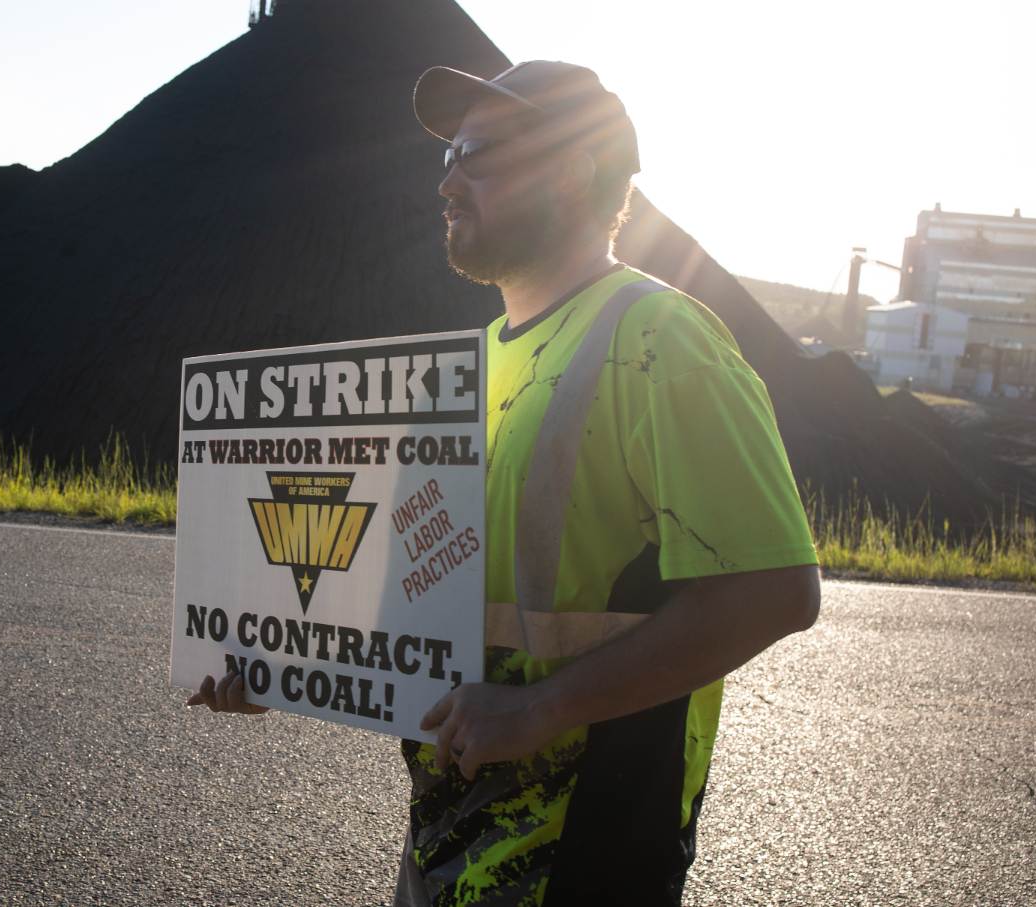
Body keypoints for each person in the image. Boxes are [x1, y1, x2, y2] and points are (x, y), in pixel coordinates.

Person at [190, 60, 821, 907]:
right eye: (448, 155)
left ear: (573, 169)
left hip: (590, 847)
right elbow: (419, 597)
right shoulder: (471, 367)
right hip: (448, 836)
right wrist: (284, 665)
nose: (448, 180)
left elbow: (778, 591)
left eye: (477, 155)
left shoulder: (660, 339)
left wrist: (544, 707)